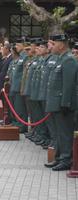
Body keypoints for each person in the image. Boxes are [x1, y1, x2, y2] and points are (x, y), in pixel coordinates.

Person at [44, 34, 78, 171]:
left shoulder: (69, 60)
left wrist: (65, 103)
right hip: (55, 103)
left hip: (63, 104)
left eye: (55, 43)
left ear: (62, 44)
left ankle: (66, 158)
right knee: (58, 132)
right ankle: (58, 157)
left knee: (65, 132)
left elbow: (68, 85)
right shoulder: (60, 59)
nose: (52, 45)